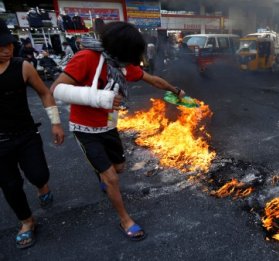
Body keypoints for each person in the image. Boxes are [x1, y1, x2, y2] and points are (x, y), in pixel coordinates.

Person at [51, 21, 186, 241]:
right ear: (120, 49)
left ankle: (101, 171)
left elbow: (152, 79)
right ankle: (125, 220)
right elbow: (56, 88)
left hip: (108, 126)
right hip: (85, 129)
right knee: (112, 178)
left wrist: (175, 89)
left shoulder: (121, 65)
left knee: (119, 168)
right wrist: (97, 98)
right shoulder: (87, 58)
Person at [0, 18, 65, 249]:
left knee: (38, 174)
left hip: (26, 134)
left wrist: (55, 123)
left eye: (7, 44)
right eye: (0, 47)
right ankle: (27, 222)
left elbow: (45, 93)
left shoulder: (23, 66)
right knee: (10, 185)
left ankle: (42, 187)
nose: (6, 50)